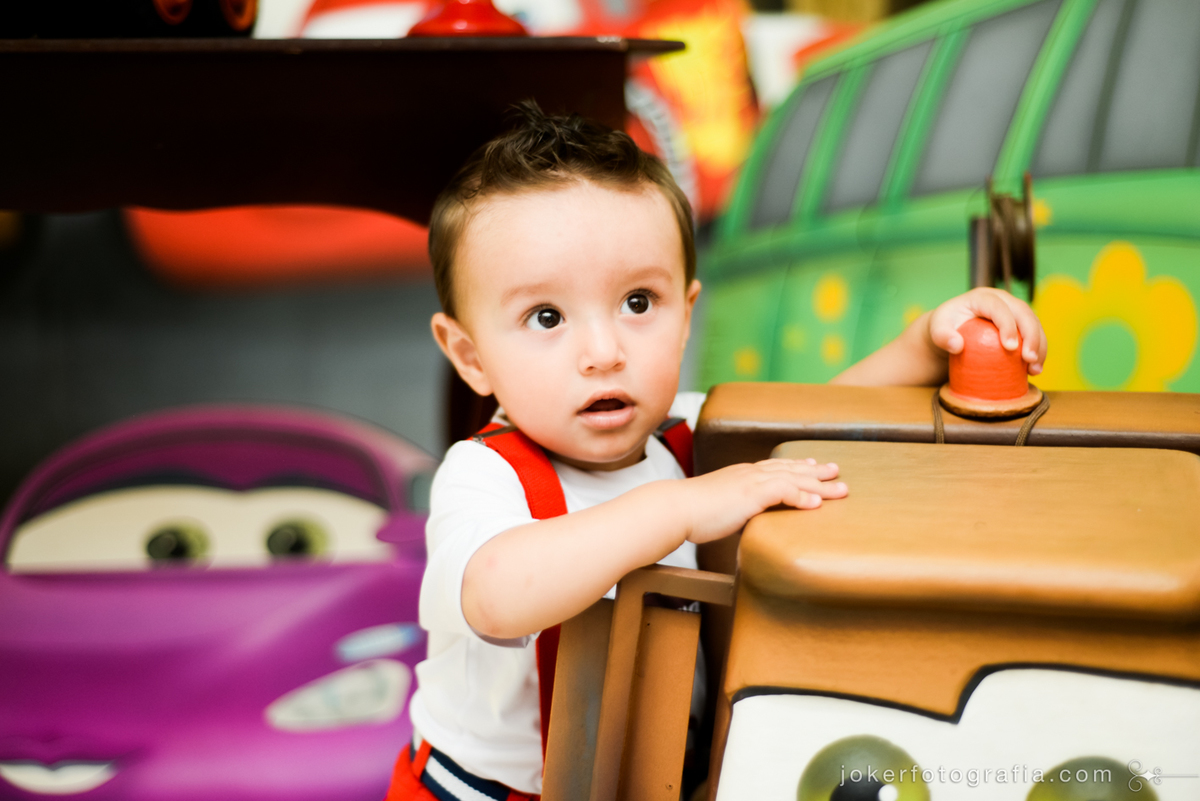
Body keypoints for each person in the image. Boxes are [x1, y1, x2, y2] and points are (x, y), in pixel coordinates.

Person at [386, 102, 1047, 801]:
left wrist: (923, 346)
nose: (605, 353)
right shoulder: (484, 476)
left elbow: (810, 428)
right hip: (485, 790)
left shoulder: (684, 433)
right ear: (470, 355)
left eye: (639, 302)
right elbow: (498, 594)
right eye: (546, 317)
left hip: (650, 776)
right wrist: (677, 507)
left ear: (686, 314)